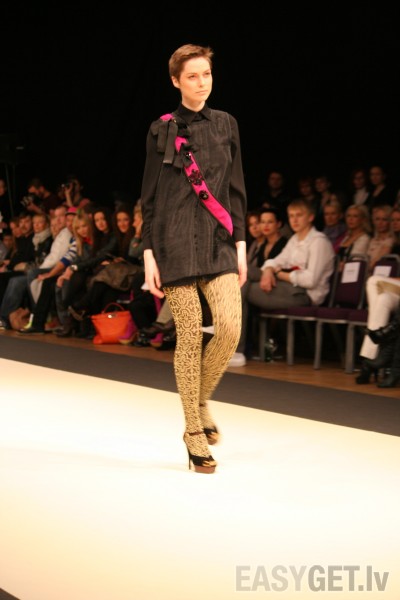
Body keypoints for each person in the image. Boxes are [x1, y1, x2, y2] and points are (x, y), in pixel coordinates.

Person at [141, 44, 247, 474]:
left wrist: (241, 246)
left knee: (229, 330)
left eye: (206, 74)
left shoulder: (227, 124)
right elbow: (149, 196)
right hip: (175, 244)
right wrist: (148, 252)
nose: (202, 82)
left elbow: (236, 188)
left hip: (220, 242)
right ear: (175, 81)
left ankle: (199, 401)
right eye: (192, 76)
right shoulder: (161, 130)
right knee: (188, 336)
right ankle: (192, 432)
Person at [229, 198, 335, 367]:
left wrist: (278, 273)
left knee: (243, 287)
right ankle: (231, 339)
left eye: (299, 215)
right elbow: (274, 261)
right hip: (287, 286)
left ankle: (232, 343)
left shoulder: (319, 242)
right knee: (243, 270)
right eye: (291, 216)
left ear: (310, 217)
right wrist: (269, 271)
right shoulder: (295, 240)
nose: (294, 220)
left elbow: (310, 280)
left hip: (304, 294)